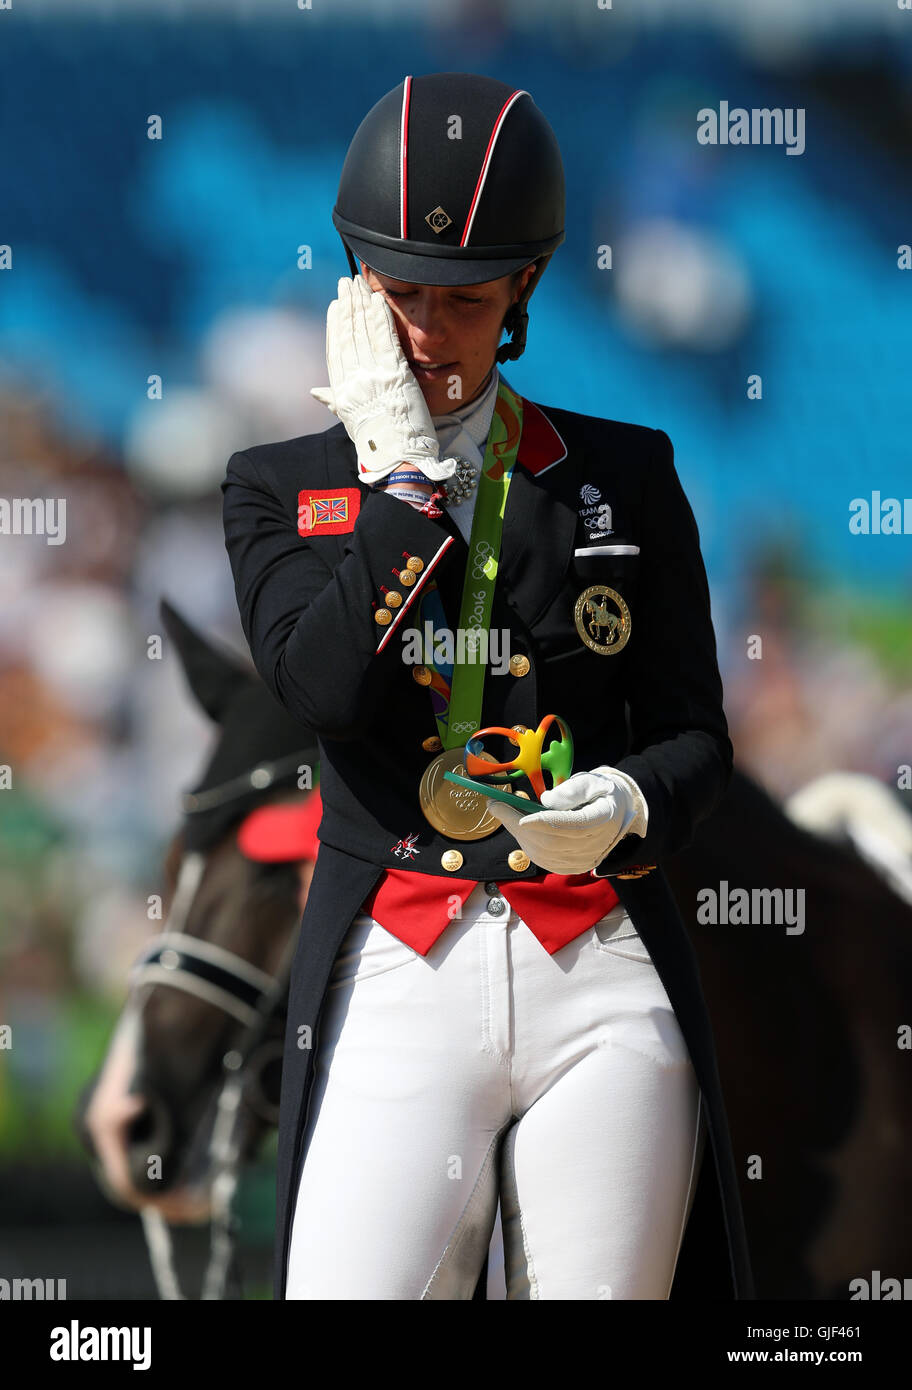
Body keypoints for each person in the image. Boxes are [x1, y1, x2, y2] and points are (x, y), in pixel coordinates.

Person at [221, 72, 754, 1300]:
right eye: (398, 294)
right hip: (400, 961)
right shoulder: (274, 486)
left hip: (599, 963)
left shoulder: (625, 471)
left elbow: (694, 738)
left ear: (521, 289)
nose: (424, 332)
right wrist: (402, 488)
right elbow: (321, 689)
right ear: (358, 288)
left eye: (461, 300)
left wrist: (623, 802)